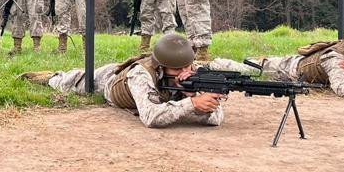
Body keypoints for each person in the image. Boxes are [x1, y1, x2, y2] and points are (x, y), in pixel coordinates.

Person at [21, 32, 227, 128]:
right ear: (162, 66)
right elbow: (151, 117)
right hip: (109, 82)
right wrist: (190, 103)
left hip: (155, 94)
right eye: (177, 68)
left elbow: (215, 119)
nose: (185, 72)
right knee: (72, 82)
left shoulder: (194, 71)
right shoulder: (141, 74)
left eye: (188, 66)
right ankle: (50, 77)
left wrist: (194, 94)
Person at [208, 22, 344, 97]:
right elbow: (343, 89)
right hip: (289, 69)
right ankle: (210, 64)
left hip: (300, 72)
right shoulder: (335, 57)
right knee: (250, 70)